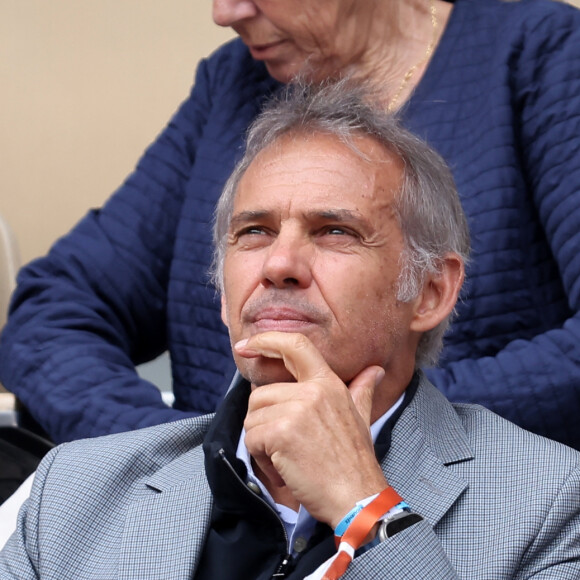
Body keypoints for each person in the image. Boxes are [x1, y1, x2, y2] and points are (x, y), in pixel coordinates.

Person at [2, 83, 580, 580]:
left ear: (429, 291)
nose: (279, 265)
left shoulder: (552, 502)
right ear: (224, 296)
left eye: (334, 231)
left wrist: (364, 505)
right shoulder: (71, 496)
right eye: (253, 231)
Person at [1, 0, 580, 448]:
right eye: (255, 232)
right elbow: (54, 312)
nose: (224, 13)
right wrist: (182, 452)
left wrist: (373, 428)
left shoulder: (540, 59)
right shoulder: (231, 87)